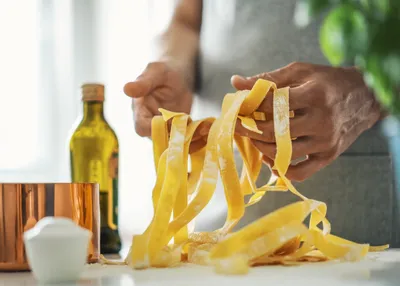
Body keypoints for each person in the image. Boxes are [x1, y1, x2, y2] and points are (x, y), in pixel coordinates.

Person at [124, 0, 396, 246]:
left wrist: (368, 93)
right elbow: (185, 19)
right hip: (222, 234)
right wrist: (175, 66)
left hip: (363, 230)